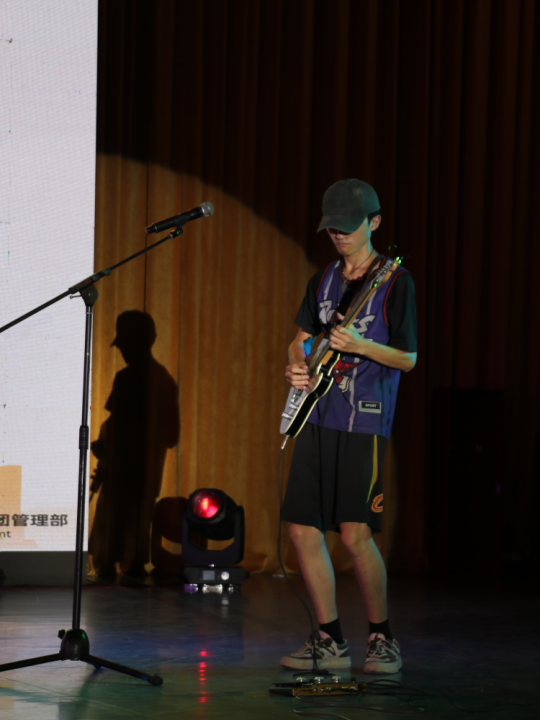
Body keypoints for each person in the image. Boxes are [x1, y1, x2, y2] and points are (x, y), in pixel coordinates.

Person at [280, 179, 417, 674]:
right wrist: (296, 365)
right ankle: (330, 639)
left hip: (364, 421)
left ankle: (382, 638)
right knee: (301, 528)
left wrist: (362, 347)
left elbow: (408, 358)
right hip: (315, 414)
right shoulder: (323, 280)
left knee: (356, 534)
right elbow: (300, 339)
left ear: (373, 223)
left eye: (347, 227)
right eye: (331, 228)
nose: (338, 235)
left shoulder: (395, 282)